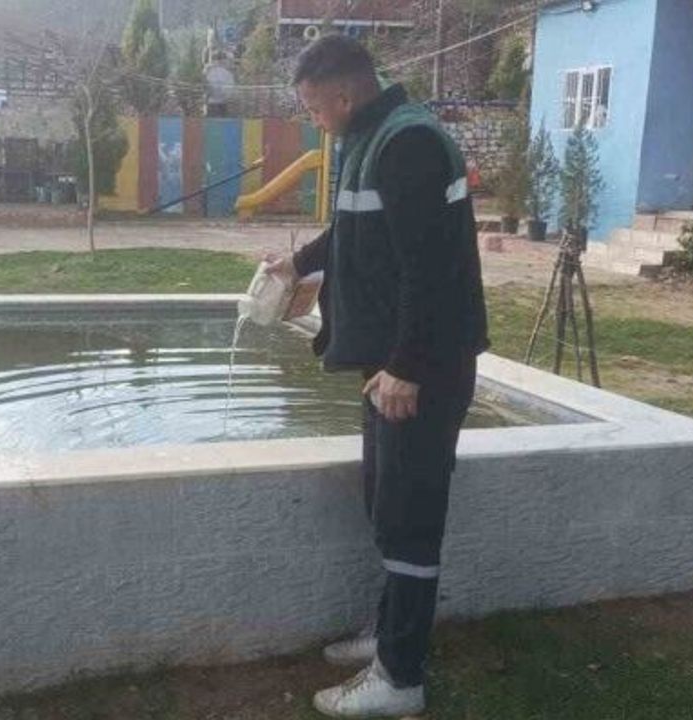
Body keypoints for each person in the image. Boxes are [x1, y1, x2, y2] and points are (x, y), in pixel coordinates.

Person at [266, 34, 489, 718]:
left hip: (418, 370)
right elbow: (357, 231)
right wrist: (297, 263)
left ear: (343, 94)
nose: (313, 120)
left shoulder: (408, 143)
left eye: (313, 107)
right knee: (386, 506)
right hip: (390, 366)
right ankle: (391, 633)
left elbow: (432, 269)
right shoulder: (373, 137)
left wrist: (407, 367)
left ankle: (400, 678)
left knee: (410, 515)